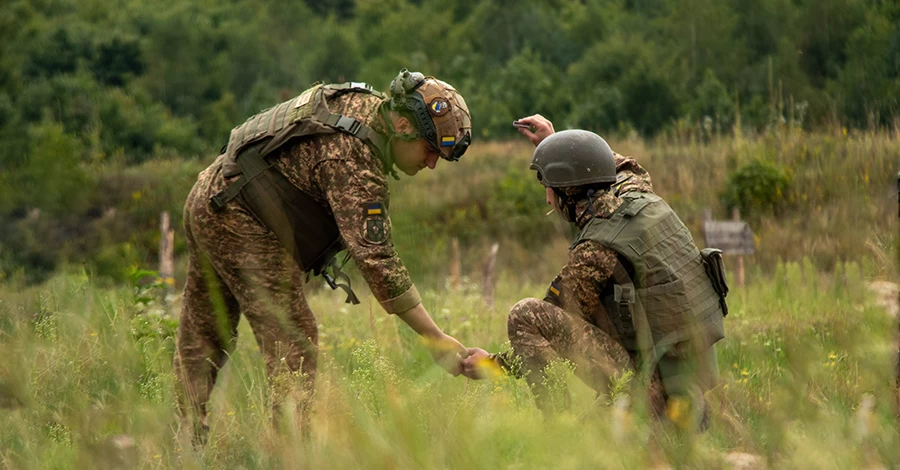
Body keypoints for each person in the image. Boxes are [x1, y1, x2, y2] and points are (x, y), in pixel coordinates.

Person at [174, 69, 472, 442]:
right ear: (400, 124)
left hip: (212, 193)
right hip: (239, 215)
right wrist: (435, 338)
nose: (430, 164)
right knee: (294, 340)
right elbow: (377, 260)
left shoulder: (366, 109)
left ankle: (185, 438)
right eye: (430, 150)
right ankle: (290, 453)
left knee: (205, 326)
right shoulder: (354, 158)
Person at [463, 120, 727, 430]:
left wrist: (490, 365)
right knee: (593, 434)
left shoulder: (595, 250)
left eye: (548, 187)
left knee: (526, 315)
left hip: (651, 388)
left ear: (566, 192)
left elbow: (547, 329)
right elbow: (619, 164)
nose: (547, 198)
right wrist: (556, 143)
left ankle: (556, 427)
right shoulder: (638, 193)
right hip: (690, 377)